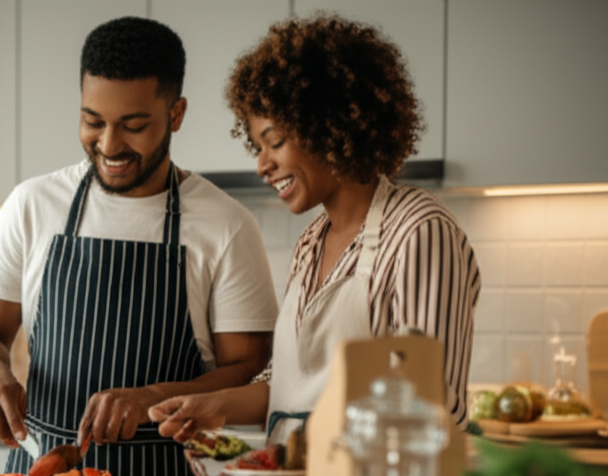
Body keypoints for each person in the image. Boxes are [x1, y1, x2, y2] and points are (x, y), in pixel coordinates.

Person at [0, 16, 278, 476]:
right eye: (93, 122)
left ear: (176, 115)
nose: (109, 146)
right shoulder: (32, 204)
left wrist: (152, 397)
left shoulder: (226, 224)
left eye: (133, 126)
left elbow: (249, 367)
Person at [150, 13, 481, 447]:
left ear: (330, 125)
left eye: (276, 142)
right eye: (258, 146)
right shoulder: (311, 240)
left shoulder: (420, 232)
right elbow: (288, 386)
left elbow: (430, 403)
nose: (262, 165)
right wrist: (212, 406)